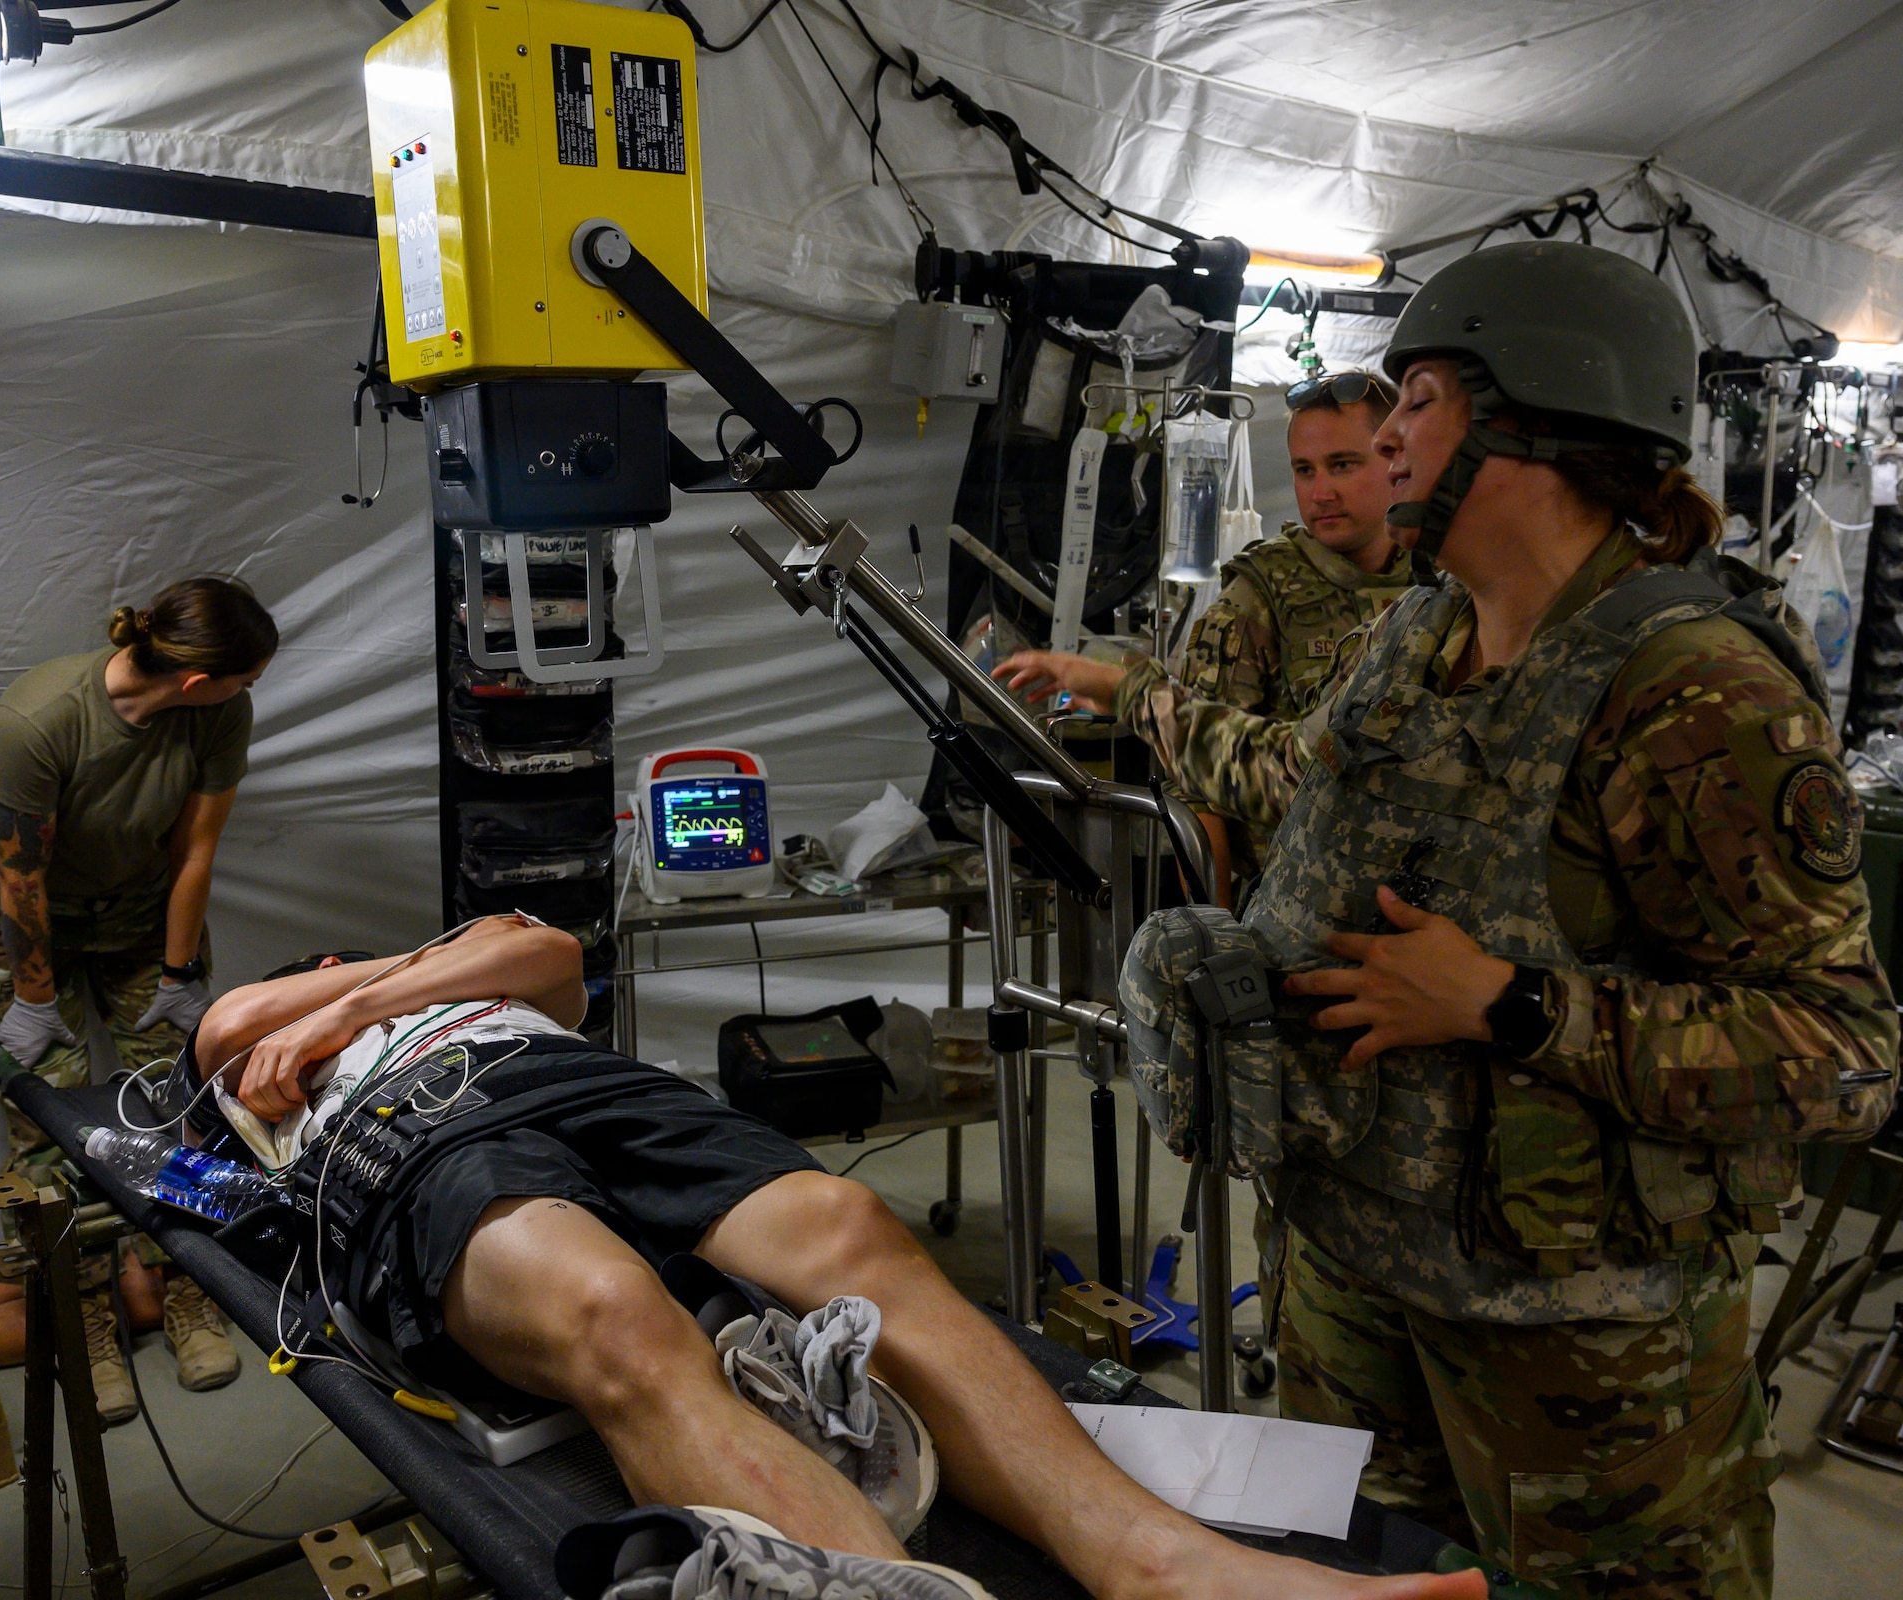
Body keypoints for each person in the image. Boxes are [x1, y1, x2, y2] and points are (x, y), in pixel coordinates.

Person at [1089, 242, 1901, 1597]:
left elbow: (1847, 1056)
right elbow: (1295, 791)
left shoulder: (1693, 688)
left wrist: (1509, 1005)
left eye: (1417, 400)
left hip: (1577, 1348)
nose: (1385, 436)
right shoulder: (1416, 636)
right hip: (1353, 1277)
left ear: (1535, 417)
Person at [174, 913, 1486, 1600]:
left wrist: (372, 985)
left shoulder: (419, 979)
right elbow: (239, 1032)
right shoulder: (272, 1012)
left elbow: (551, 956)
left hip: (566, 1080)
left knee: (852, 1231)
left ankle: (1158, 1561)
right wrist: (392, 989)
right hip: (419, 1134)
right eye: (333, 973)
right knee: (619, 1322)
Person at [0, 576, 277, 1418]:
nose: (252, 692)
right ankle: (86, 1314)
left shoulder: (217, 713)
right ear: (198, 679)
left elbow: (195, 850)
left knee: (171, 1108)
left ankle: (185, 1289)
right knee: (51, 1121)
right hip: (22, 920)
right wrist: (33, 999)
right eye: (246, 677)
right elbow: (20, 878)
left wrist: (176, 978)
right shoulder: (40, 720)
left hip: (138, 907)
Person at [992, 372, 1411, 902]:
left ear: (1397, 459)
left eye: (1343, 465)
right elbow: (1197, 795)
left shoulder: (1441, 587)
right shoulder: (1262, 594)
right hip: (1294, 904)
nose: (1320, 492)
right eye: (1304, 470)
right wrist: (1215, 933)